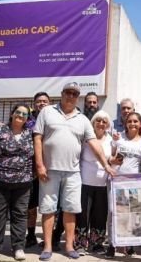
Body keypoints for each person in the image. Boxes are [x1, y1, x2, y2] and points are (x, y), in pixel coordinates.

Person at [34, 82, 115, 261]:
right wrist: (39, 164)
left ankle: (70, 246)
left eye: (75, 93)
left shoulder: (83, 119)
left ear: (77, 97)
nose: (71, 96)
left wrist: (106, 165)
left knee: (71, 210)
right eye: (68, 92)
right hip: (50, 171)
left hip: (72, 172)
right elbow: (38, 138)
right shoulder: (47, 112)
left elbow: (95, 144)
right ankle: (47, 247)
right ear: (62, 94)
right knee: (48, 210)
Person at [0, 104, 35, 261]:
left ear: (27, 118)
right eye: (18, 112)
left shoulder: (30, 133)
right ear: (12, 114)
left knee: (20, 215)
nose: (20, 115)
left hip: (23, 182)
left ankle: (18, 247)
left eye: (24, 114)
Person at [105, 112, 141, 259]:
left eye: (136, 121)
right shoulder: (118, 137)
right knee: (113, 212)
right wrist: (113, 160)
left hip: (134, 182)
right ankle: (112, 244)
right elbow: (111, 157)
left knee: (132, 213)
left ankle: (129, 244)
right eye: (130, 121)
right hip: (117, 181)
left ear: (140, 123)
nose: (133, 124)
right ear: (125, 123)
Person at [75, 110, 114, 254]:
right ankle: (80, 244)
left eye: (104, 121)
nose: (101, 123)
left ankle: (97, 244)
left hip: (103, 183)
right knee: (83, 214)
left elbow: (111, 160)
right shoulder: (86, 138)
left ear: (108, 124)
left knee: (100, 215)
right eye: (98, 120)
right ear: (93, 122)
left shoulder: (111, 140)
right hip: (85, 182)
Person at [24, 92, 50, 248]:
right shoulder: (27, 119)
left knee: (50, 206)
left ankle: (49, 238)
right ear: (34, 104)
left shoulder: (54, 117)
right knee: (31, 206)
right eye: (39, 101)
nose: (42, 103)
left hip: (52, 169)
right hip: (31, 171)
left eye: (45, 101)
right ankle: (31, 235)